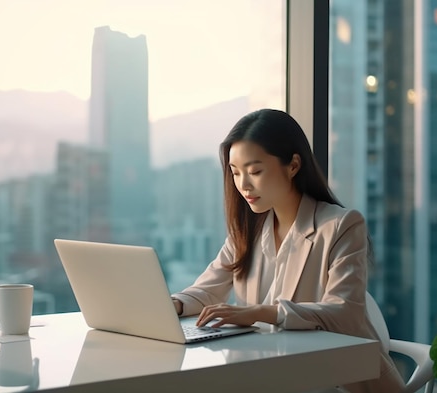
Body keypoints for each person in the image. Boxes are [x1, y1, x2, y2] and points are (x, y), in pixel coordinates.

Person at [171, 109, 405, 393]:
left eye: (255, 171)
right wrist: (176, 305)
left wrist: (261, 312)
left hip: (339, 380)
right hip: (272, 374)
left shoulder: (341, 225)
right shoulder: (247, 231)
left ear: (293, 165)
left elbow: (345, 313)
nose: (243, 185)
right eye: (235, 173)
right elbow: (207, 291)